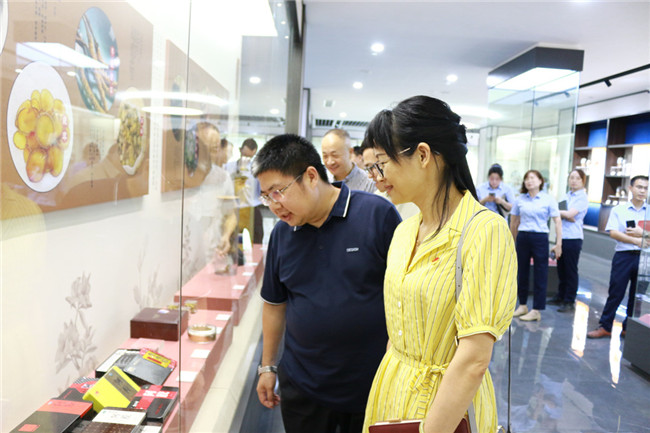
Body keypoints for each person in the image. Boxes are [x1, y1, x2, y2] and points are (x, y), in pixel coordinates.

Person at [361, 96, 517, 433]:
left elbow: (474, 359)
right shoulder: (405, 231)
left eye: (381, 164)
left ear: (422, 155)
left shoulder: (484, 231)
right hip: (392, 395)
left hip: (446, 411)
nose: (376, 178)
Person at [253, 134, 401, 433]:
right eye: (266, 196)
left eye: (278, 192)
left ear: (310, 176)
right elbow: (274, 304)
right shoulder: (282, 234)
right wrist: (267, 367)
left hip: (371, 386)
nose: (274, 206)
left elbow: (405, 296)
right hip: (304, 387)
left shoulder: (376, 214)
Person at [587, 175, 649, 339]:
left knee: (638, 296)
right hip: (623, 256)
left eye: (645, 188)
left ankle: (629, 327)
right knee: (616, 292)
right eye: (639, 187)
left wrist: (642, 234)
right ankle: (605, 326)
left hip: (644, 258)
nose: (642, 191)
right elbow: (614, 233)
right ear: (631, 188)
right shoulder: (619, 210)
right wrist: (636, 240)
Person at [510, 170, 562, 322]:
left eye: (532, 178)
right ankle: (522, 305)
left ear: (540, 181)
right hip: (523, 237)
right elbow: (514, 221)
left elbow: (557, 221)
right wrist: (512, 241)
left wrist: (558, 243)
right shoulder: (520, 199)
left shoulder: (548, 199)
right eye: (526, 178)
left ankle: (536, 310)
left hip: (540, 237)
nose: (529, 181)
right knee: (522, 272)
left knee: (540, 273)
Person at [548, 169, 589, 313]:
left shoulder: (582, 198)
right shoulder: (567, 195)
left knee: (570, 270)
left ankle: (569, 300)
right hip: (561, 236)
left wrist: (563, 214)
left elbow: (569, 214)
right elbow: (565, 214)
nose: (574, 180)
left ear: (583, 181)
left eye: (577, 178)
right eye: (571, 177)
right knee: (561, 268)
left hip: (573, 238)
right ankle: (560, 296)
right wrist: (565, 215)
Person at [361, 141, 419, 220]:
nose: (370, 175)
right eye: (368, 169)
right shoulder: (377, 198)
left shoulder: (416, 198)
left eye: (381, 164)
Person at [225, 138, 264, 244]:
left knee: (257, 238)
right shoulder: (229, 167)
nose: (246, 159)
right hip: (234, 208)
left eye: (249, 157)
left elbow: (262, 190)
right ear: (240, 150)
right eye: (244, 155)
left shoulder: (256, 169)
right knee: (231, 239)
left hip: (252, 208)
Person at [321, 128, 375, 192]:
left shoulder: (368, 183)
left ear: (350, 152)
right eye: (325, 156)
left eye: (335, 155)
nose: (330, 162)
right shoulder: (322, 181)